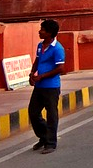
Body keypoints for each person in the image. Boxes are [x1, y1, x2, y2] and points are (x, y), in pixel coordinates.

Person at [28, 19, 66, 154]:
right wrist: (32, 74)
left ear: (50, 33)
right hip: (39, 86)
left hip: (51, 86)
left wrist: (42, 76)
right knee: (33, 112)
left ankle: (51, 143)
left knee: (51, 114)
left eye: (42, 29)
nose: (40, 31)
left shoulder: (57, 49)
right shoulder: (40, 45)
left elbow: (60, 68)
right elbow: (38, 60)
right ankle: (44, 136)